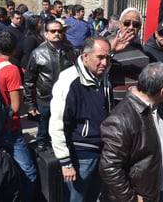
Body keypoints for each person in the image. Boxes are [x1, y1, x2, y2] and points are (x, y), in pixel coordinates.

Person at [99, 62, 163, 202]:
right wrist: (131, 198)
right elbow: (109, 167)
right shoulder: (120, 119)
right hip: (144, 196)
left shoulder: (154, 106)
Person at [49, 36, 114, 202]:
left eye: (108, 57)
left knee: (92, 197)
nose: (105, 63)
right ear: (85, 56)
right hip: (80, 155)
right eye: (100, 57)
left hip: (100, 151)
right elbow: (57, 124)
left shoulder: (103, 77)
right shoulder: (69, 80)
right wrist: (66, 162)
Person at [0, 31, 37, 202]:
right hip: (11, 128)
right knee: (29, 172)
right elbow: (16, 107)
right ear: (16, 49)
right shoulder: (11, 69)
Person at [24, 20, 75, 150]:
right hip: (45, 99)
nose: (57, 33)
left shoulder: (69, 51)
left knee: (62, 129)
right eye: (53, 31)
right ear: (46, 34)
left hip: (65, 98)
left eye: (60, 31)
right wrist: (30, 105)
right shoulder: (37, 53)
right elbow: (29, 81)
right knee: (43, 130)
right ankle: (42, 149)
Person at [107, 7, 148, 101]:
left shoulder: (140, 46)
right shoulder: (108, 42)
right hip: (115, 103)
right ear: (120, 24)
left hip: (136, 102)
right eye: (127, 23)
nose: (131, 27)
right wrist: (112, 51)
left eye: (136, 24)